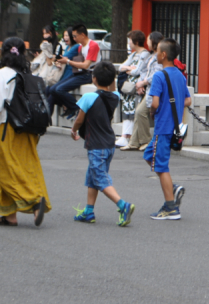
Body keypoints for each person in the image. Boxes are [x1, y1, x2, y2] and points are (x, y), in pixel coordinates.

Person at [0, 37, 51, 226]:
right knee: (26, 166)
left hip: (11, 128)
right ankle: (9, 215)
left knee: (8, 171)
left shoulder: (2, 73)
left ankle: (35, 202)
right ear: (22, 53)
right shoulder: (27, 72)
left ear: (4, 52)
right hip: (30, 129)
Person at [70, 61, 135, 227]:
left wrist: (74, 130)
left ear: (94, 79)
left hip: (96, 145)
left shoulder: (88, 97)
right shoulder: (115, 96)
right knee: (93, 177)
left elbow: (79, 119)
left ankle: (123, 205)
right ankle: (88, 211)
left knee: (99, 178)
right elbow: (111, 89)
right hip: (109, 144)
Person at [144, 38, 191, 220]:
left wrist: (152, 111)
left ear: (163, 55)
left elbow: (154, 102)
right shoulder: (180, 75)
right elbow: (188, 100)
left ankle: (171, 207)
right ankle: (172, 188)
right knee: (150, 156)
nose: (155, 53)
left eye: (157, 51)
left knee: (161, 166)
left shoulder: (159, 76)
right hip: (173, 127)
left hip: (162, 126)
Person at [47, 24, 101, 121]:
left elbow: (86, 65)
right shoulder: (80, 47)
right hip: (78, 73)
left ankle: (77, 108)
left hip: (89, 74)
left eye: (75, 36)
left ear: (83, 35)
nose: (74, 38)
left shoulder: (93, 45)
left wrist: (67, 61)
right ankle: (71, 107)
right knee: (52, 89)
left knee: (59, 89)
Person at [121, 31, 164, 152]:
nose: (147, 42)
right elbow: (144, 71)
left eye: (149, 40)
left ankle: (145, 140)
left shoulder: (158, 57)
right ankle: (134, 142)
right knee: (138, 113)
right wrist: (141, 82)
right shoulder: (152, 56)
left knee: (140, 112)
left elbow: (157, 74)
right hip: (149, 89)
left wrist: (143, 82)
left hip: (154, 90)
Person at [115, 30, 150, 147]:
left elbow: (137, 71)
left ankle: (129, 137)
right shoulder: (133, 54)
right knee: (127, 109)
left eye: (130, 40)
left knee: (134, 110)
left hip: (137, 86)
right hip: (129, 87)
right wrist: (130, 68)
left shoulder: (144, 54)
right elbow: (121, 67)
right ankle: (125, 136)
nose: (129, 43)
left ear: (135, 41)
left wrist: (129, 70)